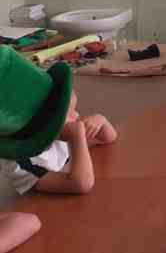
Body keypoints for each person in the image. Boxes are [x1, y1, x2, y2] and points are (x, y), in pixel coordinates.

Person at [0, 46, 117, 196]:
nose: (77, 115)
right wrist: (78, 138)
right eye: (70, 113)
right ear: (46, 124)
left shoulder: (61, 128)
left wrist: (101, 120)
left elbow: (109, 138)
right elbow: (80, 184)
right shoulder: (21, 161)